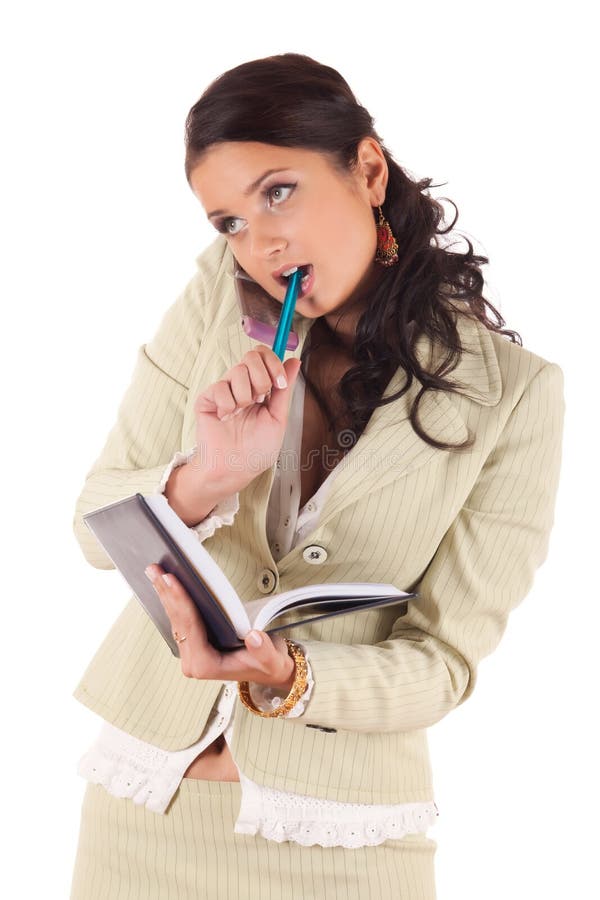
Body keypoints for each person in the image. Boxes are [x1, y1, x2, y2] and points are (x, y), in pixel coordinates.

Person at [69, 53, 565, 900]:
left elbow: (444, 663)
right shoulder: (215, 302)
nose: (260, 244)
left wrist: (287, 675)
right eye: (228, 220)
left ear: (367, 170)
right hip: (139, 814)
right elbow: (95, 524)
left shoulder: (513, 395)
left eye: (279, 192)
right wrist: (207, 476)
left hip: (345, 845)